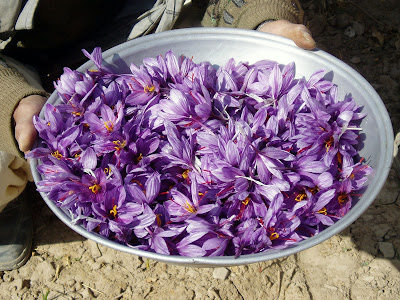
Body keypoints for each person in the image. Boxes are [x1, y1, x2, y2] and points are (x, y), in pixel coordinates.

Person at [0, 0, 316, 271]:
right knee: (13, 148)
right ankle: (8, 198)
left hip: (148, 37)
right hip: (14, 58)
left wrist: (259, 18)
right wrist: (12, 98)